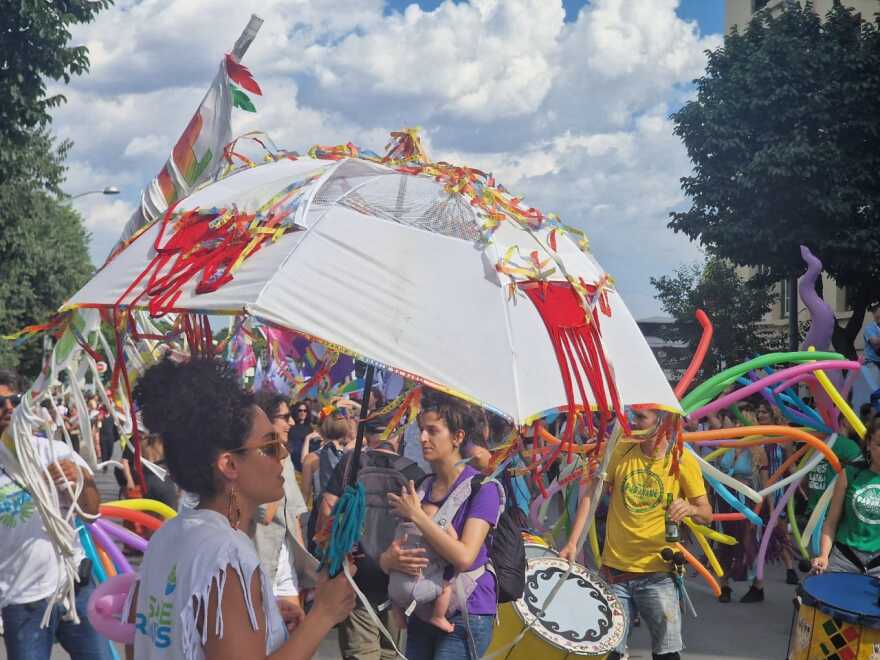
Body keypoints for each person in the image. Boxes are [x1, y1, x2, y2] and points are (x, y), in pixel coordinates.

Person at [124, 357, 355, 660]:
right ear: (230, 464)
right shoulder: (226, 554)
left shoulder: (167, 536)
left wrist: (266, 616)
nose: (283, 454)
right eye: (269, 446)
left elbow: (136, 642)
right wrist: (323, 615)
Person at [559, 408, 712, 660]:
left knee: (666, 654)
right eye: (633, 415)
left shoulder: (681, 460)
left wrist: (690, 508)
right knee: (609, 653)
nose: (633, 422)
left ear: (662, 422)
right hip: (615, 572)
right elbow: (591, 496)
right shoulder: (621, 450)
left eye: (641, 417)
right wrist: (573, 542)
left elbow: (706, 513)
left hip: (658, 574)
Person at [0, 369, 111, 660]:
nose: (9, 409)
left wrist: (80, 481)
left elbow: (91, 513)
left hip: (75, 587)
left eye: (16, 400)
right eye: (0, 404)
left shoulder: (55, 449)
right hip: (22, 601)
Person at [381, 391, 501, 660]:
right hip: (423, 610)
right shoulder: (421, 488)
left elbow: (464, 556)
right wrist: (390, 560)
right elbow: (389, 557)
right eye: (422, 430)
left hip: (466, 611)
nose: (423, 438)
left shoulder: (483, 489)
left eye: (433, 431)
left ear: (458, 437)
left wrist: (419, 517)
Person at [321, 418, 426, 660]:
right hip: (399, 578)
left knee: (360, 652)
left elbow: (328, 507)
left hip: (356, 574)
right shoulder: (412, 471)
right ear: (398, 435)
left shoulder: (351, 463)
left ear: (366, 435)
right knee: (392, 652)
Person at [252, 392, 309, 626]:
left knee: (294, 631)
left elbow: (294, 514)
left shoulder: (284, 459)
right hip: (259, 562)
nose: (292, 422)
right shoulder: (253, 460)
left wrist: (302, 566)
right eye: (285, 417)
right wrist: (276, 467)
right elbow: (265, 514)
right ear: (266, 420)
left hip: (286, 564)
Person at [812, 425, 880, 576]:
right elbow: (831, 523)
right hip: (844, 559)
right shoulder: (850, 474)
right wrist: (823, 556)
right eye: (879, 444)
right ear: (869, 444)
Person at [287, 401, 320, 473]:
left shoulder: (310, 428)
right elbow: (294, 449)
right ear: (296, 412)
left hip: (311, 462)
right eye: (300, 410)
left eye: (305, 411)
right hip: (298, 464)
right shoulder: (291, 428)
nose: (303, 413)